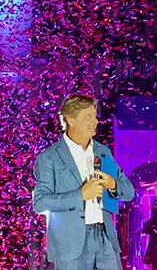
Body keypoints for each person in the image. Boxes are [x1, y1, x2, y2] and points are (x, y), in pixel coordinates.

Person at [33, 95, 137, 270]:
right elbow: (40, 202)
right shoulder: (49, 157)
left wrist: (113, 184)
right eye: (88, 117)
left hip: (105, 238)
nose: (94, 121)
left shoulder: (103, 151)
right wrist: (81, 195)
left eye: (95, 116)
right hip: (70, 243)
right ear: (70, 119)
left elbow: (129, 192)